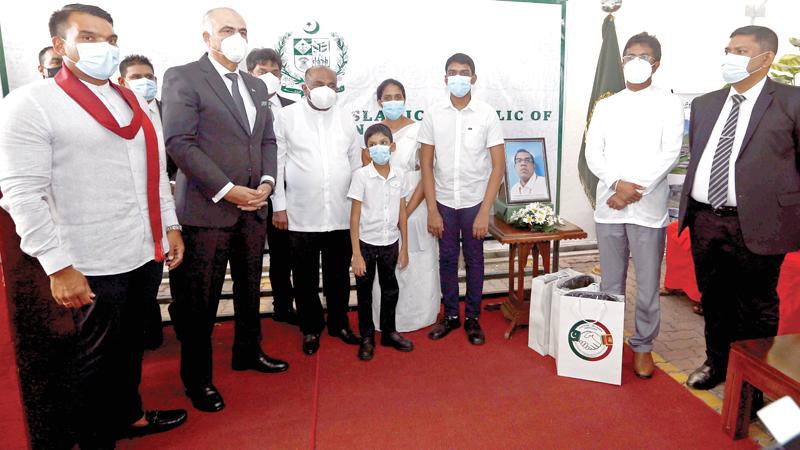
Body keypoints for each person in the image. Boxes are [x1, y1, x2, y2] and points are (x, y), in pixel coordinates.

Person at [0, 4, 187, 447]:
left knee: (128, 352)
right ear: (60, 46)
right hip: (88, 260)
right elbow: (21, 193)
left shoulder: (133, 100)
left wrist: (169, 227)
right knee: (93, 361)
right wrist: (56, 264)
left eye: (109, 38)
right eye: (88, 38)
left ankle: (129, 416)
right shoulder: (30, 103)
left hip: (142, 249)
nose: (103, 47)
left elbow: (154, 170)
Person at [162, 7, 289, 414]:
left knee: (251, 288)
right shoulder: (183, 77)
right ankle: (197, 379)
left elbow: (268, 141)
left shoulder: (255, 86)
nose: (238, 36)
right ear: (207, 37)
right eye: (228, 30)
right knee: (201, 302)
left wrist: (267, 183)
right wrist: (228, 190)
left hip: (254, 209)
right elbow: (180, 143)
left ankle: (248, 351)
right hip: (207, 212)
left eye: (244, 30)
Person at [678, 25, 800, 390]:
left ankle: (752, 382)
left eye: (741, 51)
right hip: (705, 219)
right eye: (729, 49)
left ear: (766, 59)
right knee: (714, 300)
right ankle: (716, 363)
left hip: (759, 224)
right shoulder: (705, 104)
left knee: (757, 306)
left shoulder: (792, 102)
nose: (730, 57)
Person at [585, 32, 683, 379]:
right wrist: (616, 185)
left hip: (647, 208)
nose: (636, 62)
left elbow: (669, 153)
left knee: (646, 285)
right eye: (630, 56)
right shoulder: (607, 104)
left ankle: (643, 346)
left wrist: (631, 190)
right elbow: (593, 152)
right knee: (610, 283)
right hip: (609, 205)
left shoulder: (669, 103)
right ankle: (606, 343)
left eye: (644, 56)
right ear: (622, 61)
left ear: (656, 63)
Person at [272, 65, 363, 355]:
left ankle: (339, 324)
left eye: (332, 84)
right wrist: (279, 207)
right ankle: (310, 327)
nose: (326, 89)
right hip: (301, 214)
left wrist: (358, 208)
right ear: (304, 87)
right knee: (305, 277)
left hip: (340, 212)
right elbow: (277, 163)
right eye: (319, 83)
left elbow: (356, 163)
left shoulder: (346, 118)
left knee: (338, 274)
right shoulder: (286, 117)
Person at [419, 53, 505, 345]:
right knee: (446, 260)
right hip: (443, 201)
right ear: (445, 79)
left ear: (474, 78)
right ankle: (452, 316)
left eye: (464, 72)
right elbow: (426, 165)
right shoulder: (433, 114)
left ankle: (473, 318)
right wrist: (431, 209)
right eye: (453, 73)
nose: (458, 77)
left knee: (474, 260)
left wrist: (484, 212)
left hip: (474, 202)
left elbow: (498, 166)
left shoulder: (486, 114)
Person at [366, 79, 440, 332]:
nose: (393, 101)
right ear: (379, 102)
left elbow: (426, 173)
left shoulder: (420, 130)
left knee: (417, 261)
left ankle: (420, 316)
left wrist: (406, 213)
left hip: (415, 206)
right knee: (385, 264)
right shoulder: (373, 133)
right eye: (388, 97)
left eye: (398, 96)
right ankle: (387, 320)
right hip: (381, 209)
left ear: (405, 99)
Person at [349, 123, 413, 360]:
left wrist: (404, 246)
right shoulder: (361, 176)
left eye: (383, 143)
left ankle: (389, 332)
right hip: (366, 243)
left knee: (390, 289)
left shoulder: (400, 175)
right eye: (372, 145)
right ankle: (367, 337)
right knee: (364, 292)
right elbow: (354, 216)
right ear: (367, 151)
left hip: (390, 242)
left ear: (392, 146)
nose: (379, 148)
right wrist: (356, 253)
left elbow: (402, 212)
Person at [246, 48, 298, 326]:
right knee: (249, 259)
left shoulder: (293, 107)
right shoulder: (239, 104)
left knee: (284, 255)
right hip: (246, 194)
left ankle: (284, 306)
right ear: (249, 73)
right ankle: (249, 313)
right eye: (262, 71)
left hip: (284, 194)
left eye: (275, 72)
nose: (270, 76)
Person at [119, 54, 178, 181]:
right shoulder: (115, 116)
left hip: (172, 192)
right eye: (136, 77)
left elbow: (186, 153)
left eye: (148, 77)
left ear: (155, 80)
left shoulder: (173, 113)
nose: (144, 81)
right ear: (122, 82)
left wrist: (174, 183)